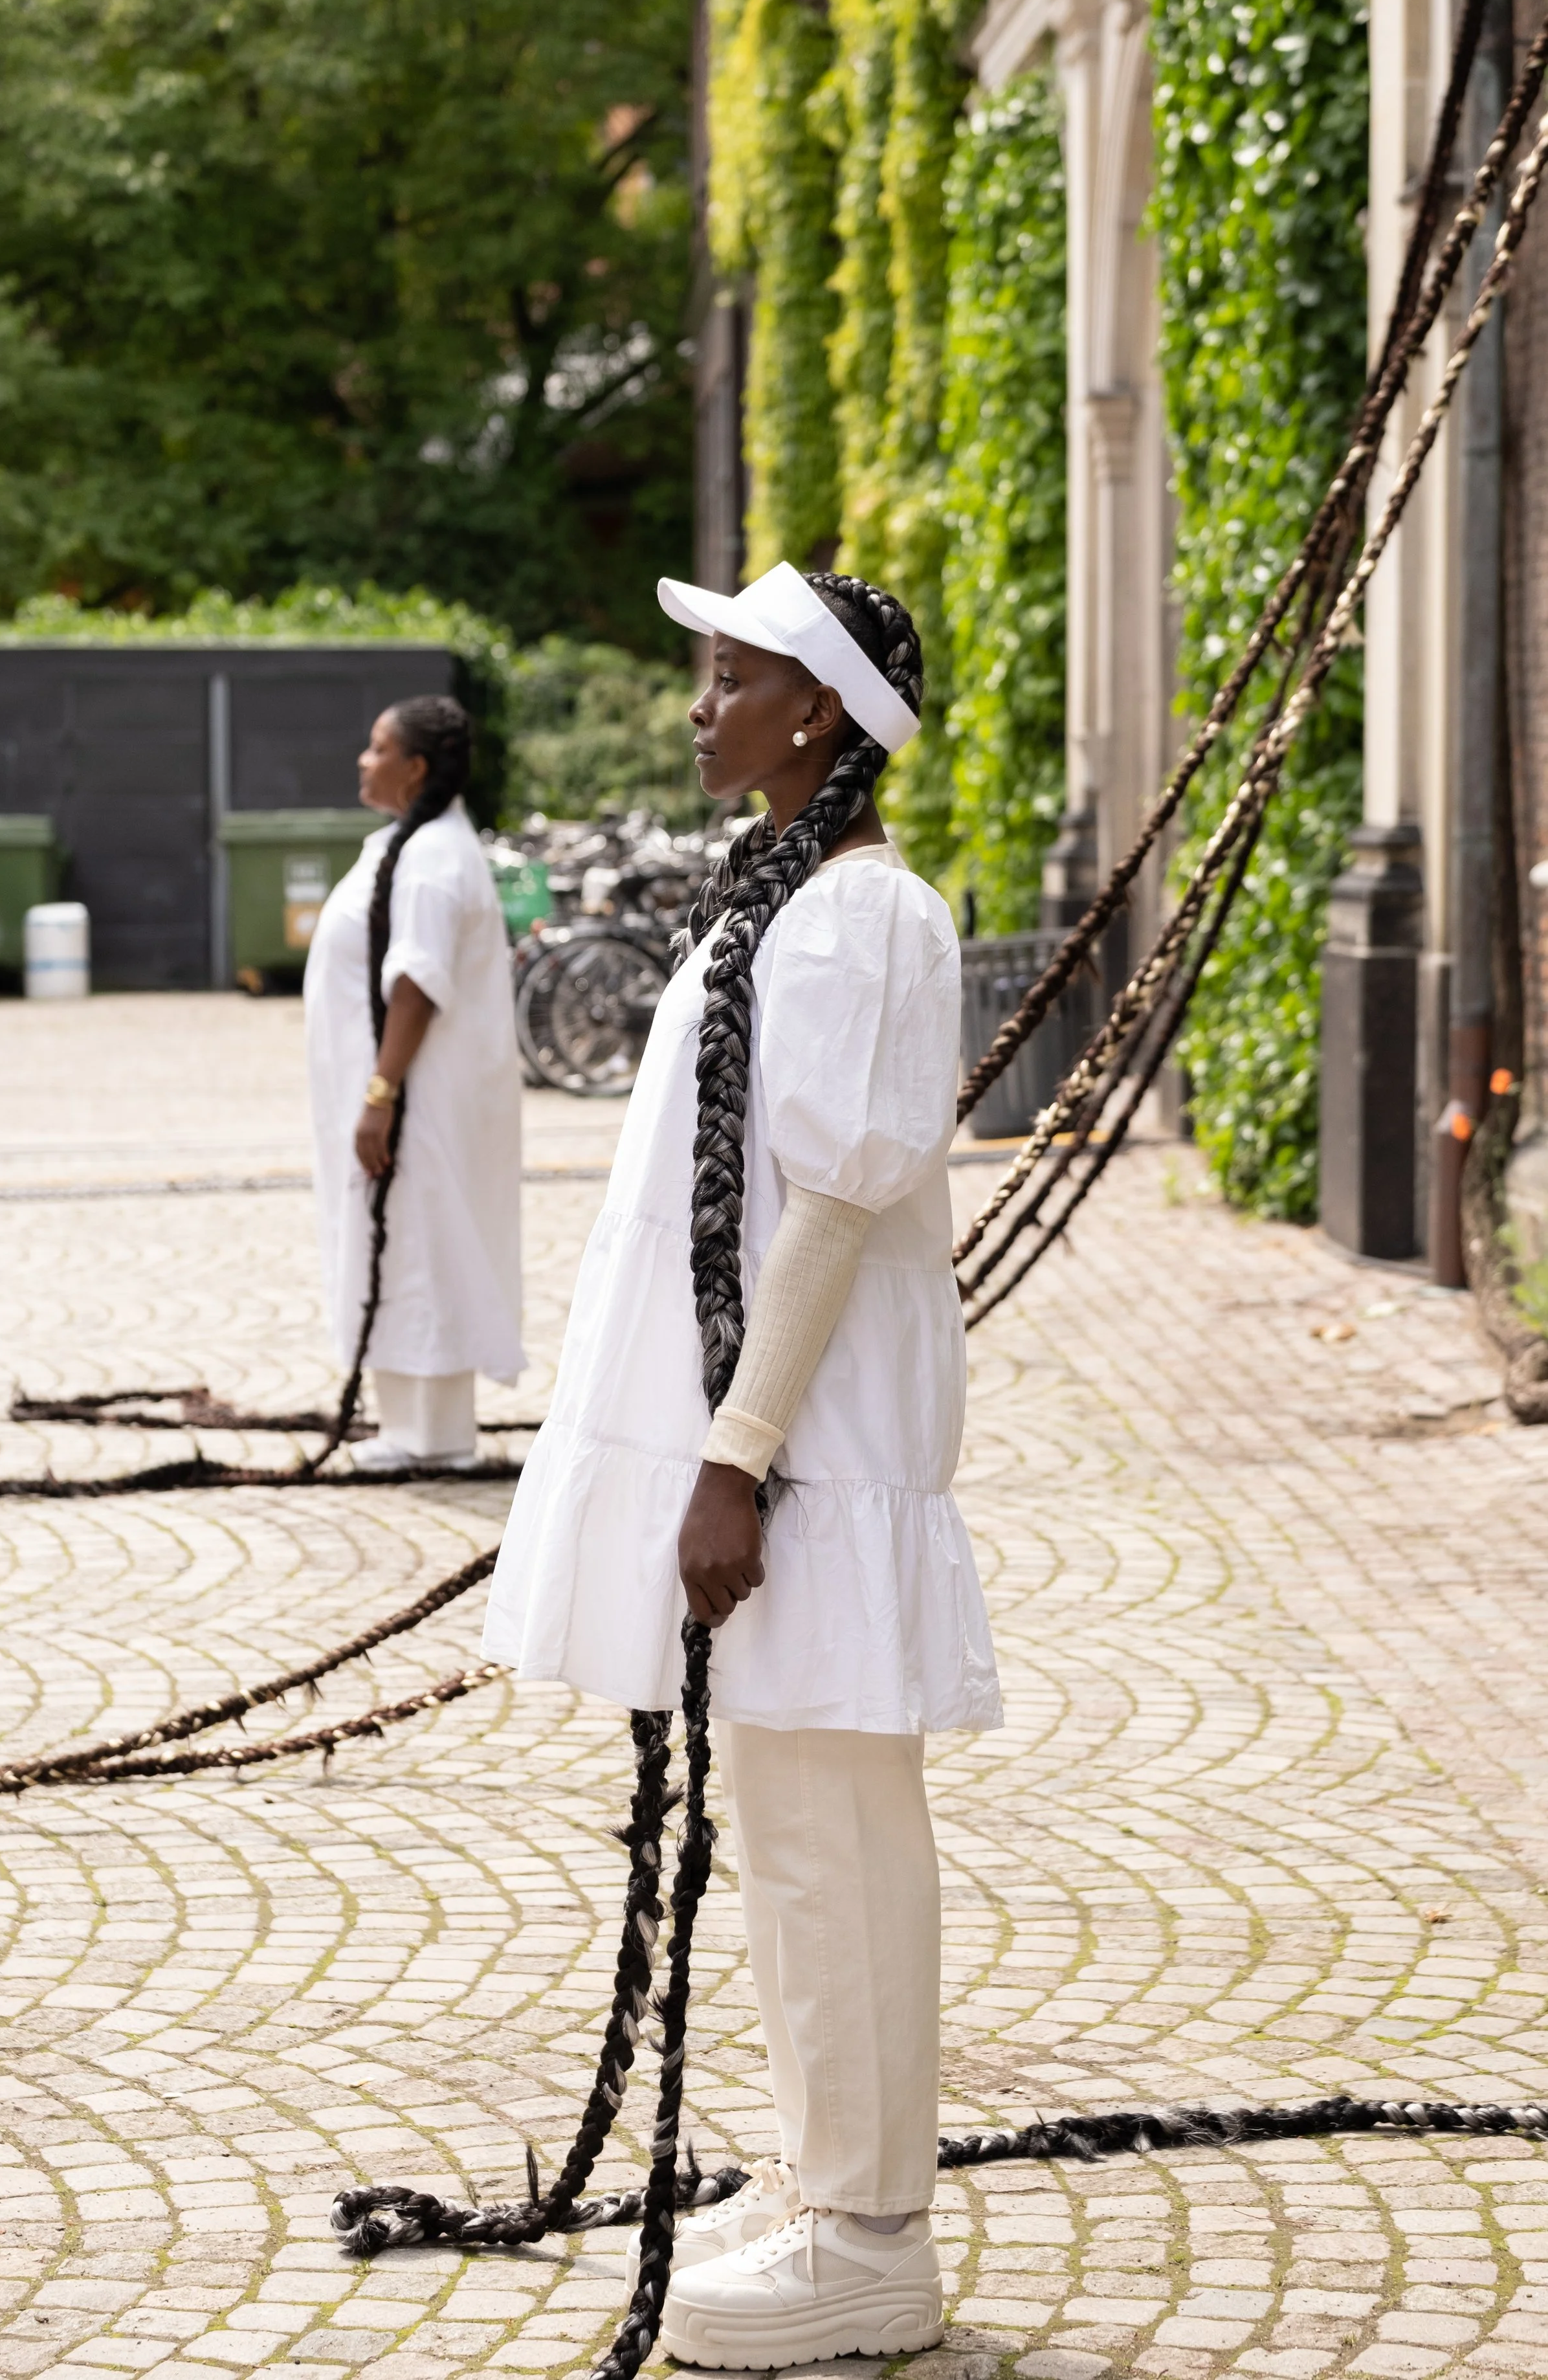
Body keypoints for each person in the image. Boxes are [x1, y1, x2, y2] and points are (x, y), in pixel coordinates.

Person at [483, 563, 1001, 2366]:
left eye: (730, 677)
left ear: (823, 714)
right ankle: (825, 2180)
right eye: (703, 673)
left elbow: (835, 1207)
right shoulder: (774, 894)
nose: (699, 703)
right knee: (787, 1835)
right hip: (780, 1455)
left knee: (834, 1840)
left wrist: (740, 1454)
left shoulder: (857, 918)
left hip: (814, 1456)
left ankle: (868, 2232)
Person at [304, 694, 524, 1470]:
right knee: (402, 1245)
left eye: (376, 747)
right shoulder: (416, 843)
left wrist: (379, 1094)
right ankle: (407, 1427)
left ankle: (431, 1438)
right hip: (406, 1094)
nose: (363, 761)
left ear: (417, 767)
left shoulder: (432, 859)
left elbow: (418, 984)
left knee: (423, 1246)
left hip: (417, 1098)